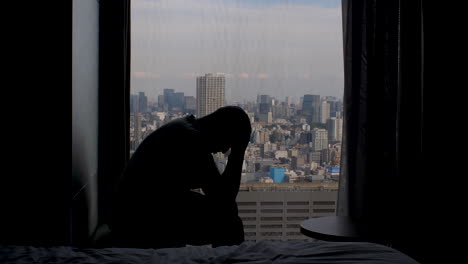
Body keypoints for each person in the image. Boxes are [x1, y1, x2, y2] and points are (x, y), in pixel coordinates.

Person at [110, 106, 252, 249]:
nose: (224, 150)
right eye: (229, 142)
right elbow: (224, 200)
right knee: (230, 224)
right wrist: (238, 152)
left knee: (226, 216)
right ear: (222, 129)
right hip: (137, 218)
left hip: (134, 210)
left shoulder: (185, 128)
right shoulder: (192, 141)